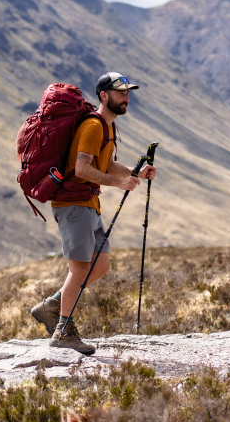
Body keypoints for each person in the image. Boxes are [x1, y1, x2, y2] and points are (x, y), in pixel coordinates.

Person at [30, 72, 157, 354]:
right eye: (120, 92)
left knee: (100, 266)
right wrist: (120, 183)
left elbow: (107, 165)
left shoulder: (108, 128)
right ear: (103, 96)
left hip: (89, 204)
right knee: (81, 269)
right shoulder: (93, 126)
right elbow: (82, 169)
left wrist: (136, 172)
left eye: (128, 92)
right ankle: (63, 331)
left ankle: (52, 305)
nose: (126, 97)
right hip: (74, 205)